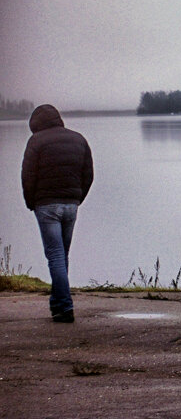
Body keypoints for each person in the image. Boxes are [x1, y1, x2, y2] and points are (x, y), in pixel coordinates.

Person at [21, 104, 94, 323]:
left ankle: (64, 306)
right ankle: (57, 303)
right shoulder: (78, 139)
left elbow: (27, 176)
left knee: (55, 255)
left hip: (46, 206)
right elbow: (88, 174)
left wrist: (31, 202)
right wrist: (77, 198)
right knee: (61, 256)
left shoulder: (36, 142)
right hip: (71, 205)